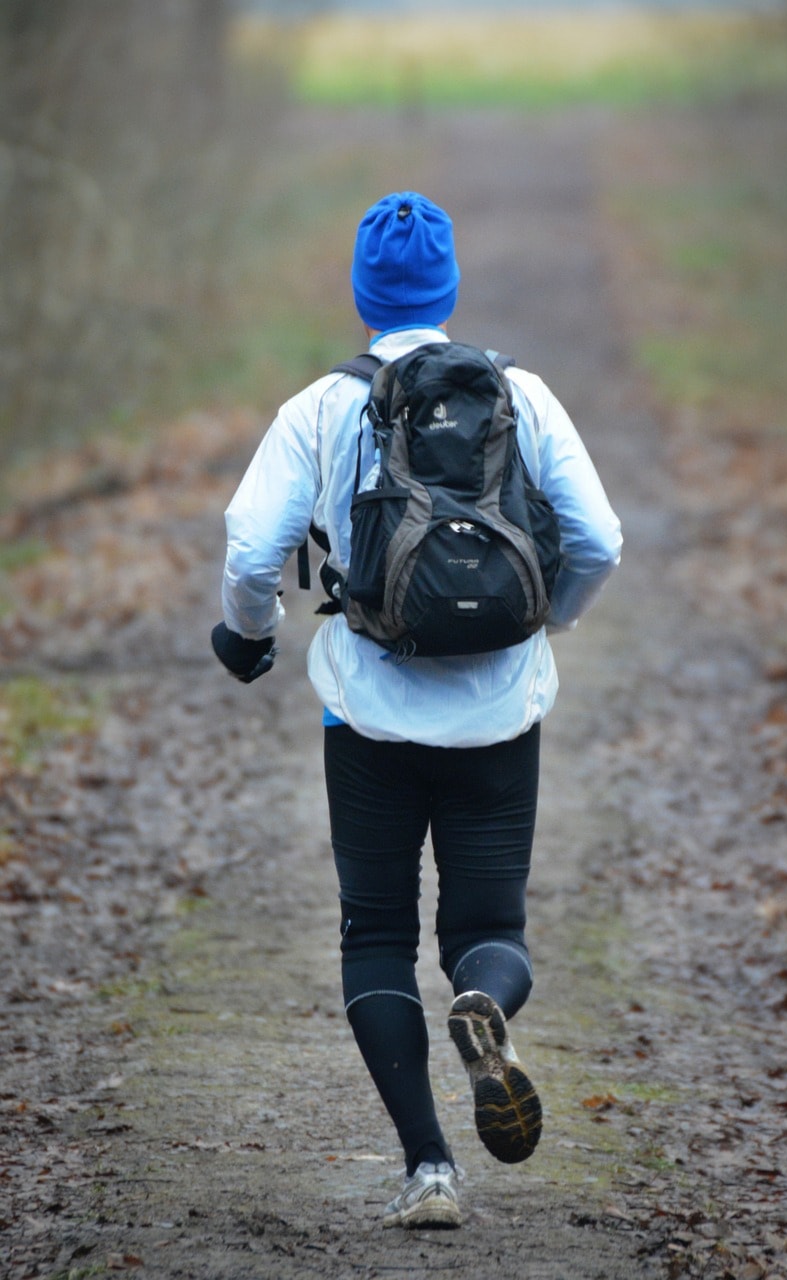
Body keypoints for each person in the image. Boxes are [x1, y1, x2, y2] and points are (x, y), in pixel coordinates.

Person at [212, 191, 622, 1229]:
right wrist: (548, 622)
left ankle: (430, 1165)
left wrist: (249, 631)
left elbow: (253, 547)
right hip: (500, 709)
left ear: (363, 294)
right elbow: (601, 538)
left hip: (370, 717)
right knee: (488, 924)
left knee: (378, 934)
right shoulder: (519, 392)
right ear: (447, 288)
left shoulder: (318, 406)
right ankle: (485, 1004)